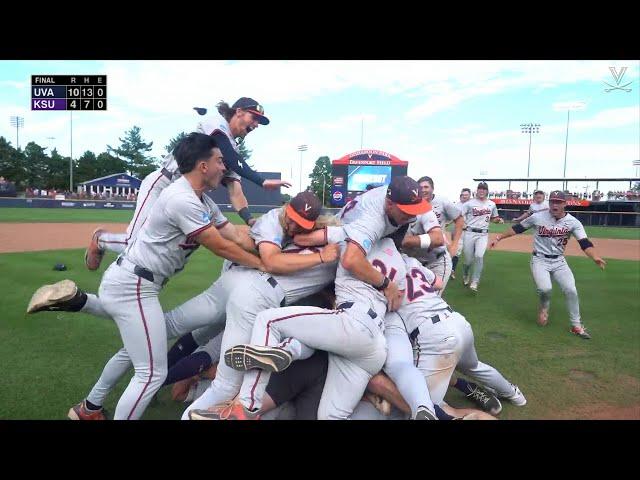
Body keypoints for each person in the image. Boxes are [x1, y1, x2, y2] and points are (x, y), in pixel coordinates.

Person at [27, 133, 266, 420]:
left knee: (136, 350)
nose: (223, 167)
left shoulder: (202, 201)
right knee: (152, 372)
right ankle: (84, 303)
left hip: (135, 284)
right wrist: (266, 266)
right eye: (219, 161)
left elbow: (233, 235)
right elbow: (220, 245)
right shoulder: (181, 198)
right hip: (135, 287)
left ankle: (88, 406)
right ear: (203, 166)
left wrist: (271, 245)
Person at [85, 97, 292, 270]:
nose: (256, 124)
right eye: (254, 118)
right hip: (164, 183)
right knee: (134, 242)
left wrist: (249, 220)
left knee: (168, 248)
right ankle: (100, 239)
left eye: (259, 122)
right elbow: (226, 153)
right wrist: (261, 181)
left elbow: (235, 190)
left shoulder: (232, 151)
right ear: (238, 111)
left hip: (190, 196)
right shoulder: (216, 122)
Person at [490, 190, 606, 339]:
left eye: (558, 202)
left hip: (559, 261)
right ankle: (544, 307)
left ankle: (576, 325)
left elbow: (584, 243)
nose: (554, 205)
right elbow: (517, 228)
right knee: (545, 289)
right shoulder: (537, 217)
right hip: (539, 260)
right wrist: (499, 237)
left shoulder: (573, 222)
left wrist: (595, 257)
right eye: (552, 201)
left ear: (565, 204)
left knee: (571, 290)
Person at [460, 182, 504, 292]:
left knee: (479, 256)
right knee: (468, 261)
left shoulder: (491, 204)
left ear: (487, 191)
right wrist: (462, 223)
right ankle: (465, 274)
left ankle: (475, 281)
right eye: (480, 189)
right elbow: (460, 215)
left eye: (484, 189)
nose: (482, 191)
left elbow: (494, 218)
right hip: (469, 232)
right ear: (477, 190)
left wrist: (498, 220)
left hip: (483, 234)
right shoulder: (469, 203)